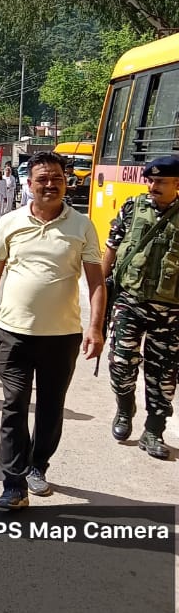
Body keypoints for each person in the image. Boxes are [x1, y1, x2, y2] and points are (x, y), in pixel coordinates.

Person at [0, 152, 105, 507]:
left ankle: (38, 465)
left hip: (62, 335)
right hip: (14, 333)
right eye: (42, 179)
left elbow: (96, 282)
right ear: (29, 185)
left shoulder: (82, 226)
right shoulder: (10, 222)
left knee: (51, 406)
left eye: (57, 179)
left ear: (67, 181)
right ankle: (13, 483)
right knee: (14, 403)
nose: (50, 185)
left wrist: (95, 328)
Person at [103, 155, 179, 461]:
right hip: (130, 302)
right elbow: (111, 247)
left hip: (172, 311)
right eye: (150, 180)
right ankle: (124, 408)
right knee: (120, 364)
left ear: (177, 183)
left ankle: (154, 430)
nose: (153, 186)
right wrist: (102, 292)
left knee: (164, 375)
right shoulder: (133, 208)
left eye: (160, 181)